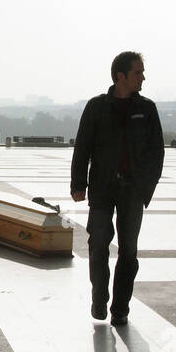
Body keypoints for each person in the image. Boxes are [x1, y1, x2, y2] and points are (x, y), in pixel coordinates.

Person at [71, 51, 165, 327]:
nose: (143, 78)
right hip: (102, 186)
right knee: (97, 244)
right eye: (138, 73)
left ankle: (120, 307)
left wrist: (146, 186)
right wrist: (78, 184)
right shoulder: (96, 107)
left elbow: (156, 151)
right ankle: (99, 296)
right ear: (120, 76)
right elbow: (83, 147)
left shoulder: (147, 108)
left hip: (133, 190)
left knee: (128, 251)